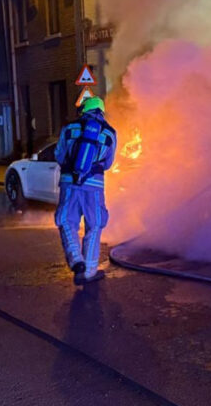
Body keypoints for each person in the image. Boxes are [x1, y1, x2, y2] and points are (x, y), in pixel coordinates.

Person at [54, 96, 117, 285]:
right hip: (94, 187)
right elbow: (107, 164)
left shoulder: (69, 129)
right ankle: (88, 271)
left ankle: (76, 260)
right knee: (95, 225)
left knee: (66, 221)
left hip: (70, 184)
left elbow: (59, 155)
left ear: (83, 109)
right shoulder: (109, 133)